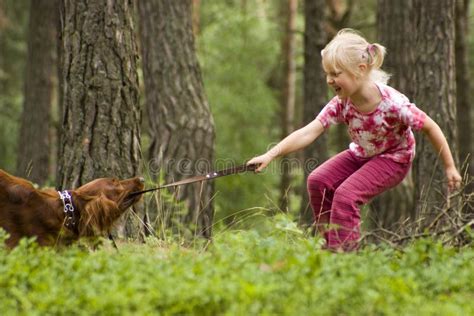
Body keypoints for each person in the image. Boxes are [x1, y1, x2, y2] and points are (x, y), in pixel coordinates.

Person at [247, 28, 462, 251]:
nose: (330, 80)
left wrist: (449, 166)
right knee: (317, 181)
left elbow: (430, 127)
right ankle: (329, 246)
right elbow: (308, 132)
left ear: (359, 70)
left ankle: (345, 257)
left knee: (346, 196)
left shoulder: (393, 104)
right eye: (327, 74)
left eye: (336, 74)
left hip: (393, 159)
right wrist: (270, 154)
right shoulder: (342, 102)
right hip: (361, 153)